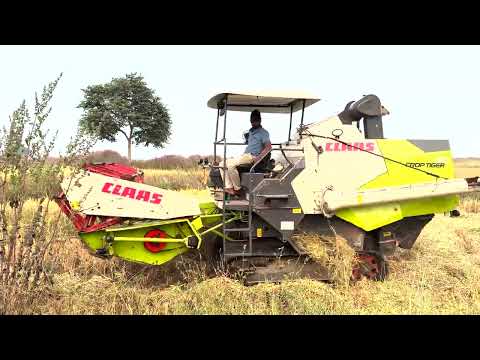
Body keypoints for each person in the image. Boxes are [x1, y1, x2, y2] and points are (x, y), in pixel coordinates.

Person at [219, 109, 272, 195]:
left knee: (231, 165)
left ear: (259, 120)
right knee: (222, 164)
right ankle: (229, 187)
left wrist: (258, 158)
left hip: (252, 156)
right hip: (245, 155)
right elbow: (250, 143)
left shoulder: (264, 133)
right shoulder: (251, 132)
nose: (253, 122)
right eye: (252, 120)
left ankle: (238, 189)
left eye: (255, 120)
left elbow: (268, 147)